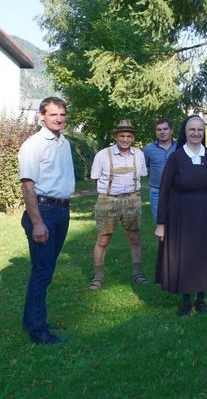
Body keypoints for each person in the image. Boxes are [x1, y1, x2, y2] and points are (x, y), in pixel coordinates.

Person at [155, 115, 207, 315]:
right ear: (185, 133)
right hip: (182, 213)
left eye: (200, 130)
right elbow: (164, 190)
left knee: (205, 255)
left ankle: (201, 299)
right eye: (192, 130)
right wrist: (161, 223)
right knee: (185, 254)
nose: (196, 133)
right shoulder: (176, 157)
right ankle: (186, 299)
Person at [18, 97, 75, 345]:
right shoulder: (34, 145)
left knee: (46, 271)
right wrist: (37, 222)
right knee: (42, 272)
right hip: (43, 212)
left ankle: (32, 321)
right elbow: (28, 186)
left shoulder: (64, 142)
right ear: (42, 115)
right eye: (53, 115)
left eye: (62, 114)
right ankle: (38, 331)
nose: (59, 119)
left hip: (62, 212)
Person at [88, 120, 149, 290]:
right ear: (115, 136)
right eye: (121, 135)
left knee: (134, 238)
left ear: (133, 138)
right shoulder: (102, 155)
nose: (125, 139)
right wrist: (108, 194)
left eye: (129, 136)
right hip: (108, 200)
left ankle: (138, 273)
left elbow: (142, 176)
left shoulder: (139, 154)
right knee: (103, 239)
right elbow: (95, 179)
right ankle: (98, 277)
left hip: (132, 199)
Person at [143, 118, 176, 219]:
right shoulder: (148, 149)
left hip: (177, 191)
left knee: (178, 223)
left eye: (165, 129)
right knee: (160, 223)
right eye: (159, 129)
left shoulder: (180, 146)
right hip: (156, 192)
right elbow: (145, 168)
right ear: (155, 132)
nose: (162, 132)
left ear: (171, 130)